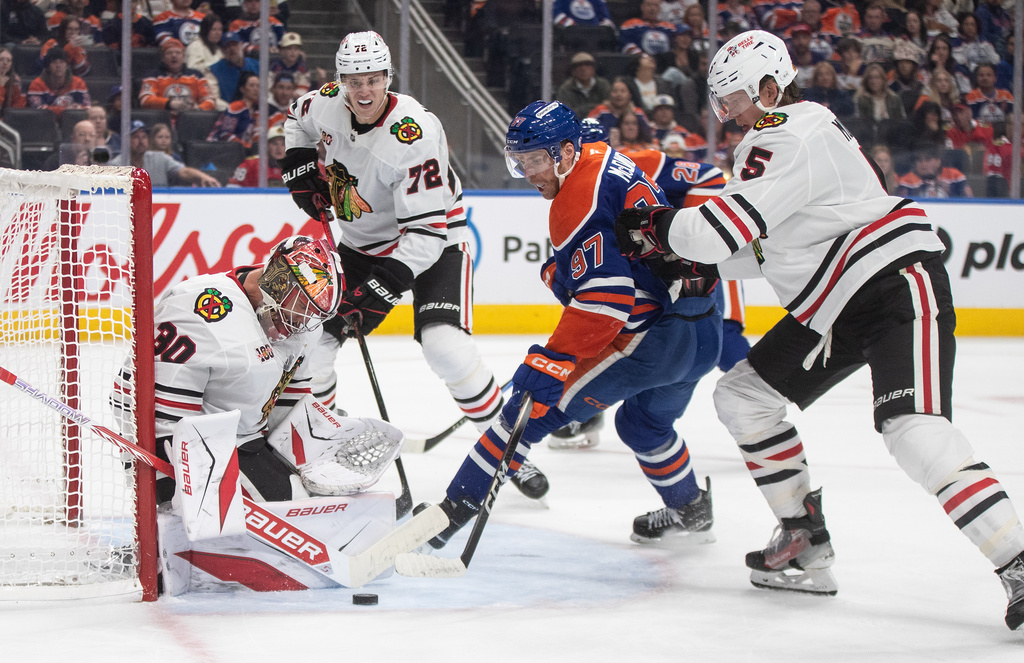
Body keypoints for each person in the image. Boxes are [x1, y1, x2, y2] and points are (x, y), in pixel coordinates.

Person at [613, 29, 1024, 630]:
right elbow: (759, 251)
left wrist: (663, 232)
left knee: (912, 428)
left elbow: (719, 230)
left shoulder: (787, 131)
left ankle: (1016, 557)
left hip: (890, 282)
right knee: (744, 395)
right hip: (834, 300)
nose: (725, 112)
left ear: (770, 87)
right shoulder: (779, 140)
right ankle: (805, 539)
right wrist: (683, 257)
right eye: (720, 100)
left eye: (732, 98)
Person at [423, 99, 720, 548]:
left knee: (524, 412)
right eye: (520, 163)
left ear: (566, 150)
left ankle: (447, 517)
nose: (532, 174)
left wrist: (552, 361)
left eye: (538, 161)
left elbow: (606, 302)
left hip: (653, 341)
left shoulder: (573, 203)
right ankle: (691, 509)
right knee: (643, 427)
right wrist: (565, 271)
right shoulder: (604, 156)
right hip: (703, 325)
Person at [280, 31, 549, 500]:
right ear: (339, 81)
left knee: (445, 347)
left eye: (374, 79)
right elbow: (294, 121)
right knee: (313, 346)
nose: (363, 91)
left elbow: (425, 237)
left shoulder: (414, 133)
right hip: (361, 244)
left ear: (388, 76)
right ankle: (325, 443)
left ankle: (509, 451)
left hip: (436, 240)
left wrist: (379, 291)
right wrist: (301, 166)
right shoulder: (324, 103)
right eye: (353, 80)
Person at [110, 235, 358, 504]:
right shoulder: (199, 310)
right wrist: (172, 488)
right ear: (279, 280)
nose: (304, 322)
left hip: (245, 441)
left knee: (320, 499)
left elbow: (290, 404)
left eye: (314, 313)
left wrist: (317, 448)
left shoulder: (303, 328)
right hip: (195, 446)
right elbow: (143, 404)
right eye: (301, 306)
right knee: (295, 505)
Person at [110, 119, 221, 187]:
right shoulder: (116, 164)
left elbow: (184, 171)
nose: (141, 141)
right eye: (135, 137)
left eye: (144, 137)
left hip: (158, 206)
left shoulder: (160, 158)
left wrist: (203, 177)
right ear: (126, 141)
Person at [139, 38, 217, 113]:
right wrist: (169, 103)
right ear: (163, 58)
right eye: (169, 53)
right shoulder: (152, 76)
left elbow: (211, 100)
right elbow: (145, 100)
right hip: (163, 121)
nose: (174, 55)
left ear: (184, 57)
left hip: (190, 120)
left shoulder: (196, 76)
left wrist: (199, 109)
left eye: (178, 52)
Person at [27, 47, 90, 119]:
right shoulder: (37, 84)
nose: (58, 66)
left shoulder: (78, 83)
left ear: (67, 65)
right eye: (54, 62)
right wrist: (66, 110)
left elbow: (87, 107)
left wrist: (79, 108)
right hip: (45, 124)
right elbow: (37, 109)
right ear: (48, 66)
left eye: (62, 62)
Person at [894, 143, 972, 198]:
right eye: (919, 160)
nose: (923, 164)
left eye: (928, 159)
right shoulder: (907, 181)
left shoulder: (954, 175)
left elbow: (969, 201)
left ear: (938, 161)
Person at [209, 31, 260, 108]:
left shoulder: (258, 65)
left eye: (235, 45)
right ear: (222, 50)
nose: (232, 49)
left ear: (241, 45)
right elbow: (214, 98)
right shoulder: (213, 70)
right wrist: (232, 109)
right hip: (227, 111)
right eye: (227, 46)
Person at [185, 13, 226, 109]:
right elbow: (192, 68)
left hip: (220, 91)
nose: (218, 33)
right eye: (214, 29)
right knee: (228, 110)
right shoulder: (196, 45)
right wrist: (214, 66)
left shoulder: (219, 49)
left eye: (220, 29)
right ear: (205, 30)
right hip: (202, 93)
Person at [555, 52, 611, 120]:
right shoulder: (565, 89)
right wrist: (596, 107)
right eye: (579, 66)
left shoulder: (603, 84)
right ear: (573, 70)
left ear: (593, 69)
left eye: (587, 65)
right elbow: (566, 113)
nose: (583, 69)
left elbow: (610, 107)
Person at [228, 122, 286, 187]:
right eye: (275, 144)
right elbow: (232, 186)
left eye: (283, 144)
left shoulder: (295, 167)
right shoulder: (250, 164)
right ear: (267, 146)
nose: (279, 148)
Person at [0, 46, 27, 117]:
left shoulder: (15, 81)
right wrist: (1, 87)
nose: (5, 63)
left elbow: (19, 109)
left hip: (8, 123)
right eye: (1, 59)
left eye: (8, 60)